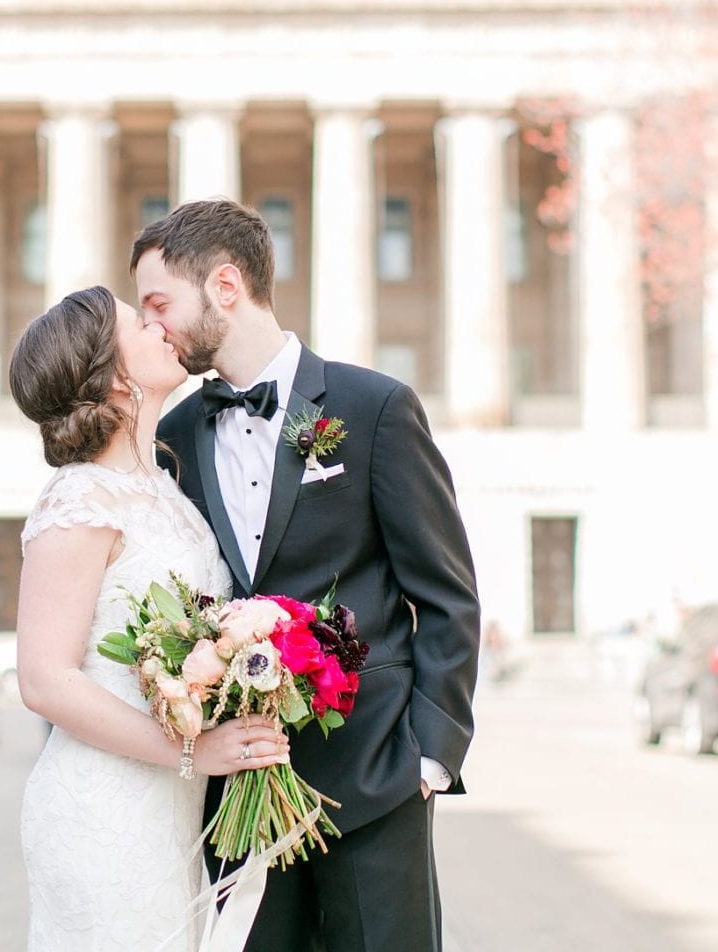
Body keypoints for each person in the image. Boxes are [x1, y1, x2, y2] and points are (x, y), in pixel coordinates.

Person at [134, 199, 481, 952]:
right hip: (238, 794)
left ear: (225, 286)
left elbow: (446, 592)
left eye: (159, 304)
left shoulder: (375, 407)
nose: (151, 326)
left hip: (375, 780)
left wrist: (430, 755)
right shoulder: (175, 436)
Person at [11, 285, 289, 952]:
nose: (163, 325)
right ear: (111, 375)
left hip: (172, 810)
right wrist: (193, 749)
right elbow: (44, 681)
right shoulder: (79, 498)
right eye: (142, 322)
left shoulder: (166, 485)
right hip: (103, 808)